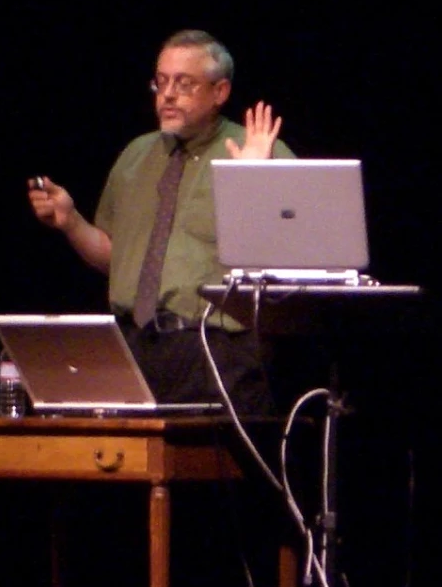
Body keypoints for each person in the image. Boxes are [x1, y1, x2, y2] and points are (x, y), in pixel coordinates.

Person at [28, 29, 295, 415]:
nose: (167, 95)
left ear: (219, 92)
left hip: (217, 351)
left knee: (218, 472)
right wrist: (71, 222)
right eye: (162, 81)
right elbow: (114, 258)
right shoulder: (136, 156)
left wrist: (252, 183)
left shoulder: (259, 152)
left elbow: (292, 260)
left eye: (184, 84)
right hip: (133, 348)